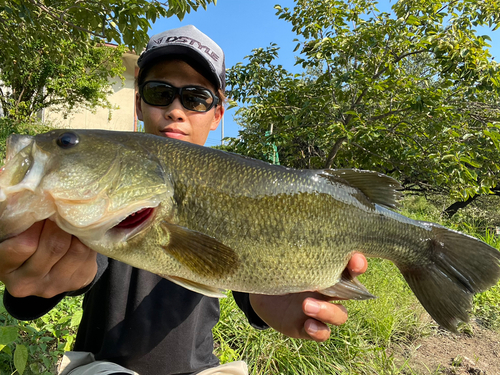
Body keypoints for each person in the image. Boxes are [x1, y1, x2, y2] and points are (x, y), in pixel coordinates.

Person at [0, 25, 368, 375]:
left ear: (217, 114)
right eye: (160, 93)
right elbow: (63, 276)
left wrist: (270, 292)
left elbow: (238, 280)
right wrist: (35, 282)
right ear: (138, 106)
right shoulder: (102, 201)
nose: (176, 110)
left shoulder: (239, 188)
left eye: (195, 98)